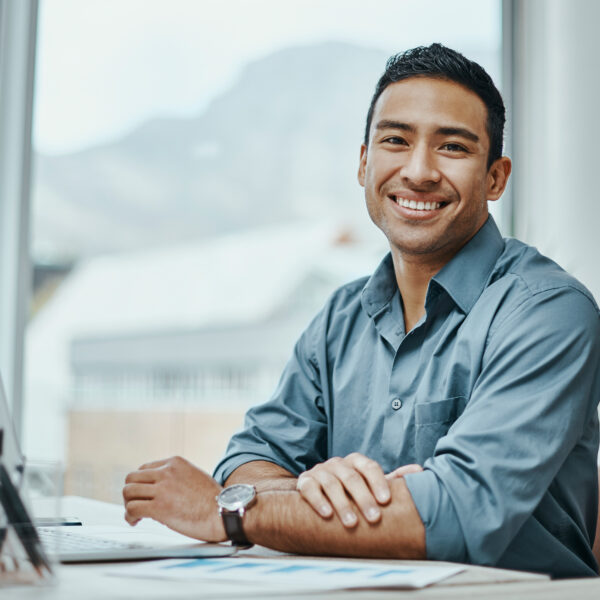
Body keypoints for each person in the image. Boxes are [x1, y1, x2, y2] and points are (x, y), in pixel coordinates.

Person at [122, 44, 600, 578]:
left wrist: (229, 511)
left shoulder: (548, 313)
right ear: (363, 162)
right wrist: (310, 485)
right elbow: (250, 458)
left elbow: (457, 515)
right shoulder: (340, 316)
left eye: (453, 148)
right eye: (395, 140)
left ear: (495, 178)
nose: (418, 171)